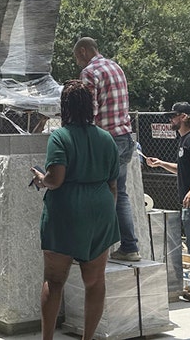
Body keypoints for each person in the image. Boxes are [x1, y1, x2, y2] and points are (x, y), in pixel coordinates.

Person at [31, 80, 120, 340]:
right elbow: (113, 183)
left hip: (66, 212)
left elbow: (56, 178)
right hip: (101, 210)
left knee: (54, 280)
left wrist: (40, 179)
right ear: (91, 107)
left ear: (64, 107)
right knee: (95, 282)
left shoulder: (60, 136)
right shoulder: (106, 137)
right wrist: (106, 216)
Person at [72, 37, 140, 261]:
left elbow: (89, 111)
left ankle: (95, 250)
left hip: (105, 141)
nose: (77, 63)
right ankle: (129, 247)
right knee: (119, 194)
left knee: (96, 193)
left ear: (83, 51)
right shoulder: (115, 66)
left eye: (76, 57)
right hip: (124, 137)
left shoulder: (90, 72)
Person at [145, 102, 190, 302]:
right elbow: (183, 169)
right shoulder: (185, 140)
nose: (170, 119)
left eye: (173, 116)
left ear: (184, 117)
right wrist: (160, 163)